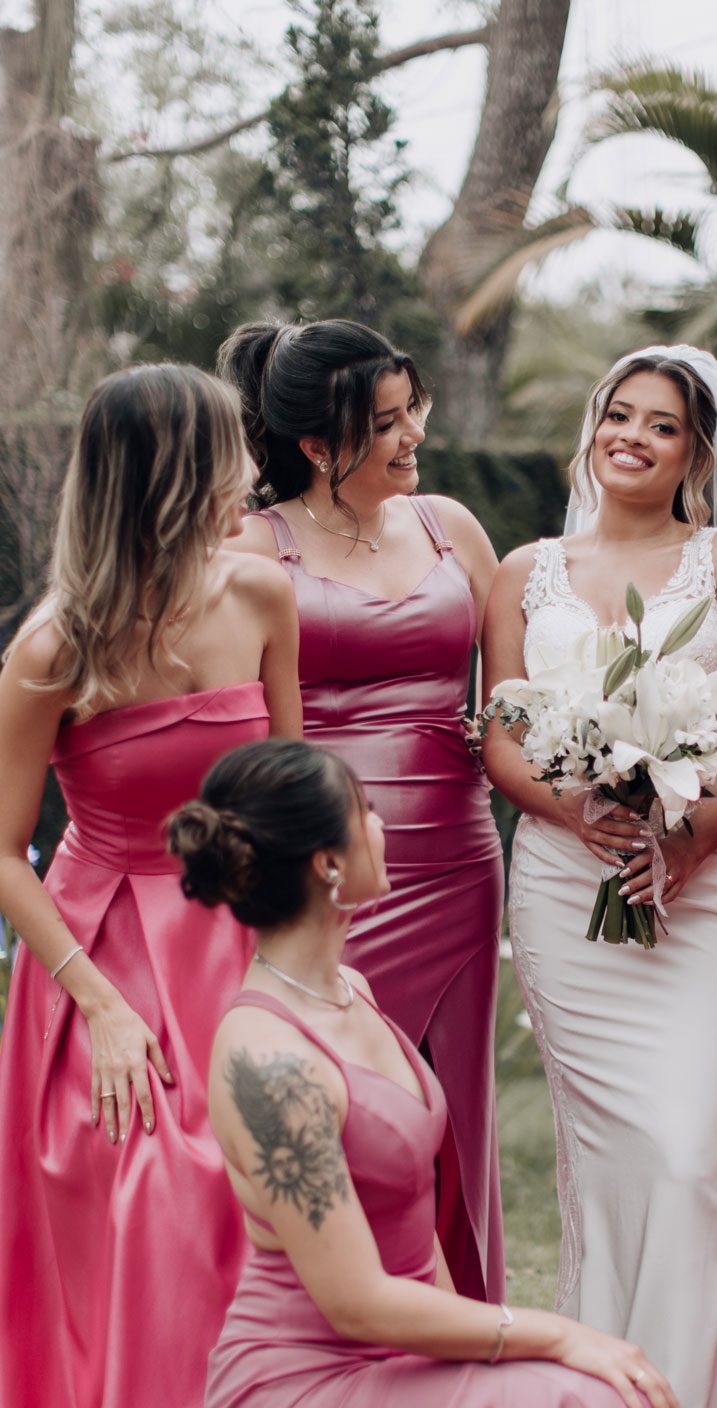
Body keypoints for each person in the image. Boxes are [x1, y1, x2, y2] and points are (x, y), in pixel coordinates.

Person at [170, 738, 676, 1408]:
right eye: (366, 812)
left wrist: (491, 1363)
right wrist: (555, 1336)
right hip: (309, 1378)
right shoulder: (268, 1063)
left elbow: (410, 1227)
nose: (382, 827)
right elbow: (357, 1305)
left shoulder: (352, 990)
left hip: (408, 1353)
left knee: (598, 1388)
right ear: (328, 865)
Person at [482, 345, 717, 1408]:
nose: (632, 437)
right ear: (593, 427)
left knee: (682, 1153)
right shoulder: (525, 573)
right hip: (571, 892)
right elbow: (503, 734)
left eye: (661, 425)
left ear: (695, 452)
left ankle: (690, 1390)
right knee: (610, 1160)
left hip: (700, 892)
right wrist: (577, 810)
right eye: (620, 415)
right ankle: (601, 1382)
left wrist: (690, 839)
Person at [0, 364, 301, 1408]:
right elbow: (3, 851)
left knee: (272, 1208)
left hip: (244, 936)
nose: (254, 473)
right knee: (153, 1212)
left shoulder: (261, 591)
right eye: (233, 451)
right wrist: (99, 1004)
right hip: (106, 954)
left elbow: (294, 794)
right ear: (174, 475)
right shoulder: (50, 649)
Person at [220, 318, 505, 1302]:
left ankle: (467, 1322)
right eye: (384, 423)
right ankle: (351, 1323)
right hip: (326, 862)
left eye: (408, 410)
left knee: (456, 1116)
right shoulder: (252, 544)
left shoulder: (451, 527)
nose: (411, 434)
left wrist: (513, 734)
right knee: (345, 1099)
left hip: (459, 858)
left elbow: (510, 699)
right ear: (315, 445)